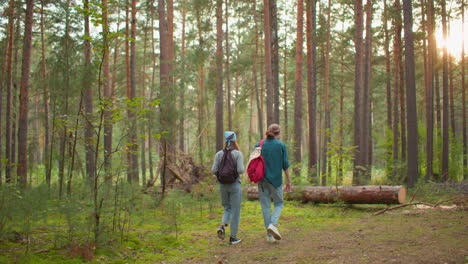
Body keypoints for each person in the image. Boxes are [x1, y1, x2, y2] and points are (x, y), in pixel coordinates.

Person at [255, 124, 290, 243]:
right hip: (276, 181)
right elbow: (285, 165)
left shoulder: (259, 144)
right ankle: (273, 225)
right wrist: (288, 181)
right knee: (279, 203)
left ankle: (269, 236)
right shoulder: (281, 145)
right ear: (278, 133)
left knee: (265, 206)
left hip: (261, 180)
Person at [211, 131, 244, 244]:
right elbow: (240, 170)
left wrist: (221, 176)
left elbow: (214, 170)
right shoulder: (238, 154)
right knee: (236, 211)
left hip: (222, 185)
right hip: (235, 184)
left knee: (227, 208)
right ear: (235, 140)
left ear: (225, 141)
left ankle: (222, 227)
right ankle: (233, 237)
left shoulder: (219, 154)